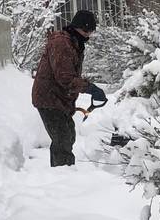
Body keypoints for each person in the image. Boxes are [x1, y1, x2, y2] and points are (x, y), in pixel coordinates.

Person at [31, 9, 106, 167]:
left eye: (90, 32)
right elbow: (65, 78)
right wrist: (89, 88)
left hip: (58, 98)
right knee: (63, 138)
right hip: (49, 98)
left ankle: (63, 173)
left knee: (68, 134)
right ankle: (63, 176)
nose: (88, 35)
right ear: (78, 27)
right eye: (87, 31)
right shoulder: (61, 43)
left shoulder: (73, 42)